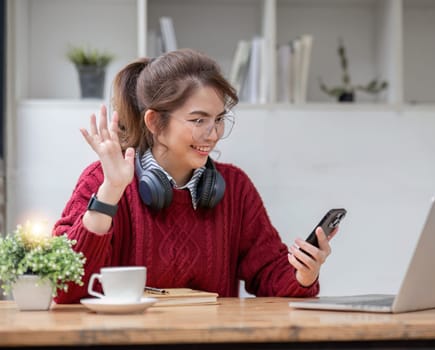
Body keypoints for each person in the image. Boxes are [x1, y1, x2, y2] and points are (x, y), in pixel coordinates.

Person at [53, 49, 337, 303]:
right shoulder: (103, 180)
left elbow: (270, 275)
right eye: (198, 120)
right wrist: (111, 192)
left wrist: (304, 274)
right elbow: (64, 286)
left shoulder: (236, 188)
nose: (213, 135)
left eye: (219, 120)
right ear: (154, 122)